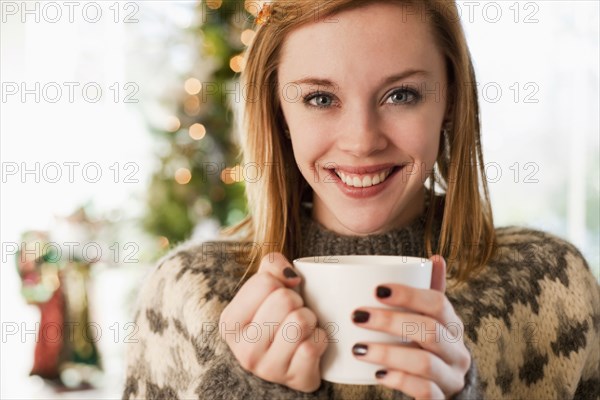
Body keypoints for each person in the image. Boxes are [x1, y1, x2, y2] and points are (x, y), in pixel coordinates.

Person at [122, 1, 600, 399]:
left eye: (401, 95)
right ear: (278, 110)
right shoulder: (187, 293)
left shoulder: (550, 284)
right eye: (320, 99)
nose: (362, 141)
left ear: (450, 100)